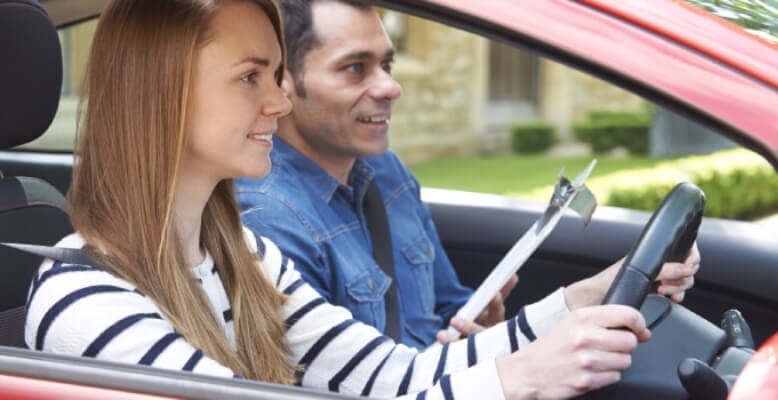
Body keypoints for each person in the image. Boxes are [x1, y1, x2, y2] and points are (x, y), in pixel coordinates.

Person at [24, 0, 699, 398]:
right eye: (250, 77)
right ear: (160, 95)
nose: (279, 102)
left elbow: (396, 379)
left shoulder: (242, 258)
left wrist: (577, 303)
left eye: (278, 75)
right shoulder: (87, 302)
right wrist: (516, 378)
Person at [235, 0, 700, 348]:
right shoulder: (268, 220)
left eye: (387, 64)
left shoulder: (387, 173)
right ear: (284, 84)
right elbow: (362, 382)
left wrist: (480, 327)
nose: (391, 87)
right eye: (355, 69)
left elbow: (446, 311)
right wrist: (586, 297)